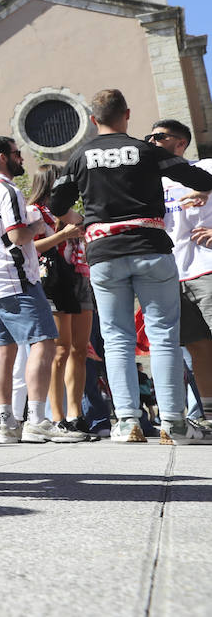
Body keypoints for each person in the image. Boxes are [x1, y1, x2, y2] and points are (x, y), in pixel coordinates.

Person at [49, 89, 212, 444]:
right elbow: (198, 178)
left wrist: (80, 218)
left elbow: (56, 201)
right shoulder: (146, 150)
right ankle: (175, 424)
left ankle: (127, 422)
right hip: (151, 247)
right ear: (127, 114)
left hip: (104, 254)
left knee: (116, 338)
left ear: (93, 120)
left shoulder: (80, 155)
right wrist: (205, 191)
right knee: (164, 336)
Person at [0, 135, 84, 444]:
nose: (22, 159)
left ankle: (6, 423)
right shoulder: (8, 191)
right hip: (14, 278)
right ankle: (37, 419)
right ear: (4, 157)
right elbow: (18, 236)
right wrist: (37, 226)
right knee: (44, 342)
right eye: (18, 154)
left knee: (4, 350)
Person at [150, 118, 212, 424]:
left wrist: (209, 192)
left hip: (207, 269)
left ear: (180, 143)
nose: (151, 141)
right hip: (172, 276)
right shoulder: (151, 182)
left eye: (158, 137)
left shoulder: (207, 167)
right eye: (148, 136)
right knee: (198, 347)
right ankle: (208, 416)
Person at [27, 164, 93, 436]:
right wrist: (63, 235)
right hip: (53, 281)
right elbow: (28, 247)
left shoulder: (73, 213)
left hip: (80, 277)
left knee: (79, 349)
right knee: (60, 350)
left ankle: (76, 413)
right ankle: (57, 416)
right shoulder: (35, 212)